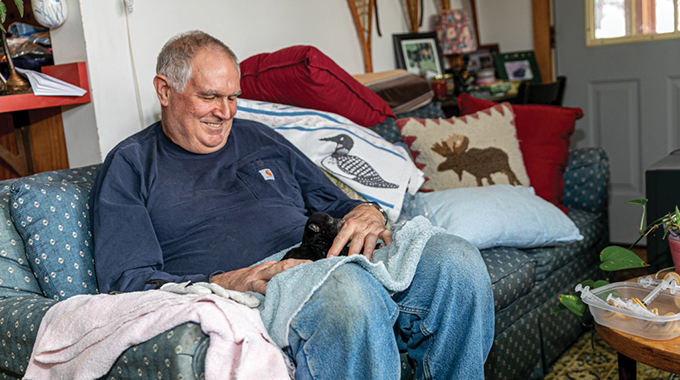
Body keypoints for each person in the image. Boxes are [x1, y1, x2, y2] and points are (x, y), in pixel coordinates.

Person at [90, 30, 494, 380]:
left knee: (455, 259)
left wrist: (368, 212)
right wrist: (231, 280)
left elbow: (336, 202)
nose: (225, 112)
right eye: (210, 96)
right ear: (164, 90)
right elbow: (128, 280)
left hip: (329, 253)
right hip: (260, 281)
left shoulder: (258, 137)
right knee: (349, 293)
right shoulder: (131, 165)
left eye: (232, 97)